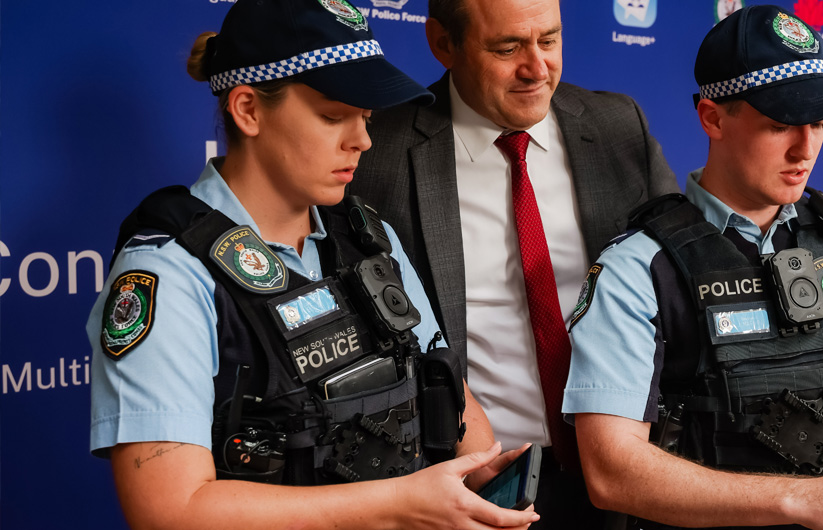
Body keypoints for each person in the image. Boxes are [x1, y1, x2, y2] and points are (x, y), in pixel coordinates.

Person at [87, 1, 539, 528]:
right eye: (333, 116)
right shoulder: (171, 274)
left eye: (366, 117)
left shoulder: (370, 238)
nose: (362, 140)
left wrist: (482, 485)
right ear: (248, 109)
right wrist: (399, 505)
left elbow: (444, 387)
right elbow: (168, 510)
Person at [564, 7, 823, 529]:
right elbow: (612, 473)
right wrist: (803, 499)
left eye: (817, 123)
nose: (805, 148)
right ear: (713, 117)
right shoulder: (638, 269)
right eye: (780, 125)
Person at [350, 0, 678, 525]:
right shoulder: (374, 151)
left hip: (633, 467)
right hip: (482, 483)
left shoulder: (619, 127)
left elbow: (677, 282)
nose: (536, 68)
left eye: (549, 41)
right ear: (442, 43)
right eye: (507, 48)